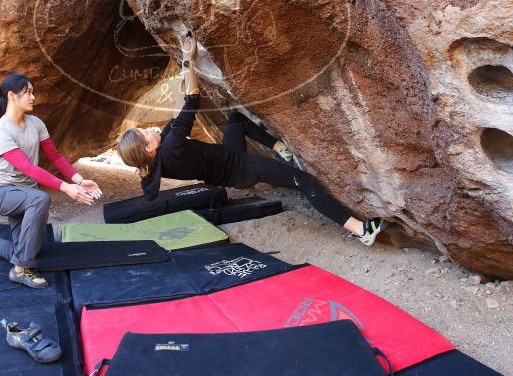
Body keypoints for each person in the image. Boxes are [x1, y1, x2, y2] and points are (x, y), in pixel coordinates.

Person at [117, 33, 388, 246]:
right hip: (241, 169)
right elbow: (192, 101)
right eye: (145, 134)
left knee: (236, 120)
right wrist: (188, 59)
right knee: (303, 181)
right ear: (149, 149)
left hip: (227, 163)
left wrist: (183, 76)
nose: (150, 129)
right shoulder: (171, 146)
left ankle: (280, 148)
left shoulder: (162, 156)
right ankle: (360, 230)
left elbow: (178, 113)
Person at [0, 74, 102, 289]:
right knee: (40, 201)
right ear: (12, 96)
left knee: (26, 249)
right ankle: (20, 270)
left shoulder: (35, 123)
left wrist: (79, 180)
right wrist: (66, 187)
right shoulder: (1, 131)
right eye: (29, 92)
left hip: (27, 195)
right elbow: (28, 168)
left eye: (33, 92)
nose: (34, 97)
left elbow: (55, 156)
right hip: (2, 193)